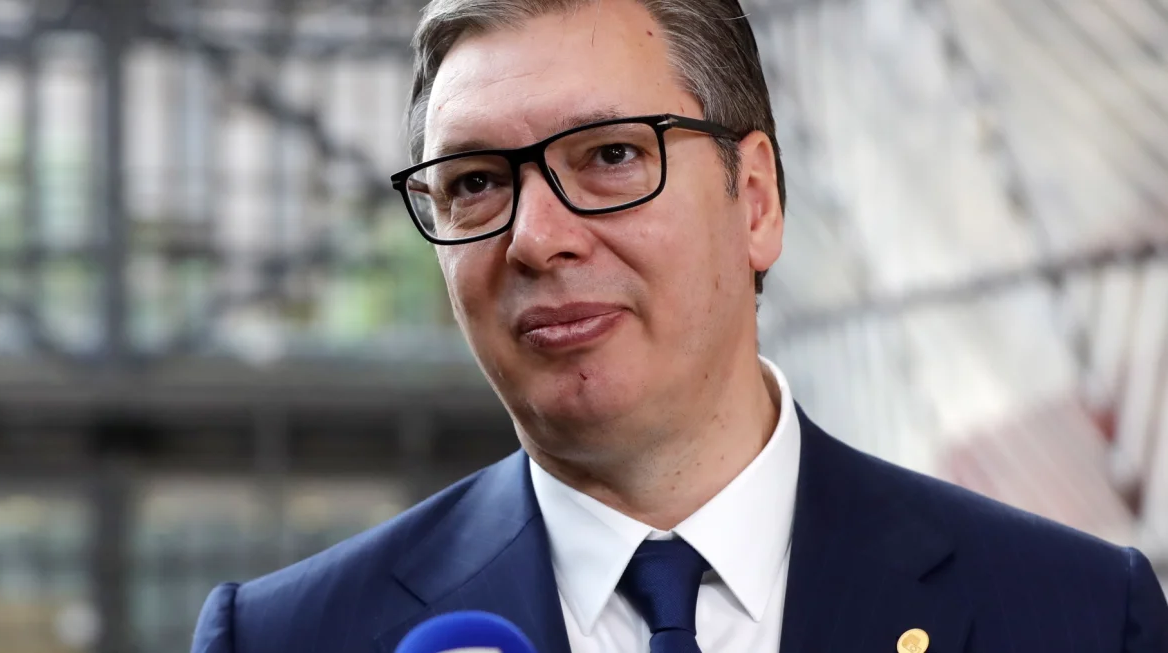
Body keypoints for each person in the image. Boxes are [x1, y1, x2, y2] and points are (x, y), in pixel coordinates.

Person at [191, 0, 1168, 651]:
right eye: (474, 183)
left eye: (610, 155)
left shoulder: (1071, 613)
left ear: (754, 201)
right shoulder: (286, 635)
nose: (534, 238)